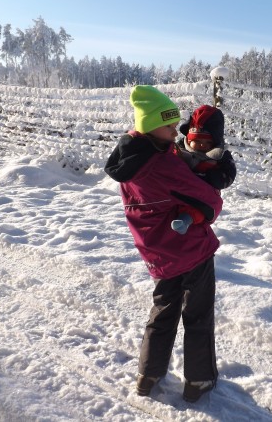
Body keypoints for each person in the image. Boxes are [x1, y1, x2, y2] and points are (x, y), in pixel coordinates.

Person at [104, 85, 223, 403]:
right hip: (190, 251)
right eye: (169, 125)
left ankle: (148, 374)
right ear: (151, 124)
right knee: (198, 316)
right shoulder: (164, 165)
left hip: (157, 253)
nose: (176, 131)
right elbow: (210, 203)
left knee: (163, 312)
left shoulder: (130, 158)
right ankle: (199, 380)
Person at [171, 105, 237, 234]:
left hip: (205, 194)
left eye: (208, 143)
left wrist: (213, 177)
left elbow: (229, 174)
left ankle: (185, 221)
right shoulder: (180, 150)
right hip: (180, 189)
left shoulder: (220, 155)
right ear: (189, 139)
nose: (202, 145)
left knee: (200, 210)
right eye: (197, 140)